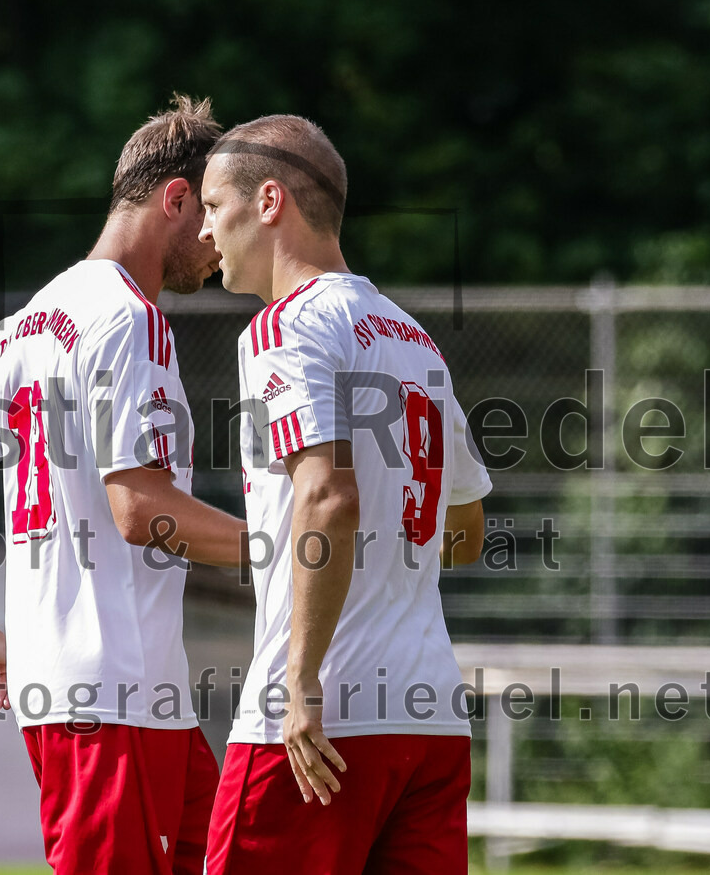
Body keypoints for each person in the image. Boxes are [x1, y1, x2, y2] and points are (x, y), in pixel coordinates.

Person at [0, 94, 247, 875]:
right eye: (213, 210)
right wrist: (283, 549)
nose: (219, 237)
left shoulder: (28, 321)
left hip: (133, 696)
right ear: (174, 198)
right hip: (108, 697)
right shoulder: (130, 319)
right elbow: (141, 506)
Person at [198, 115, 492, 874]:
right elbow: (466, 528)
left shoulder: (282, 328)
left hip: (318, 724)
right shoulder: (415, 340)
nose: (205, 232)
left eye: (211, 205)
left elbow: (328, 497)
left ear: (268, 202)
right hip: (428, 716)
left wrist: (300, 683)